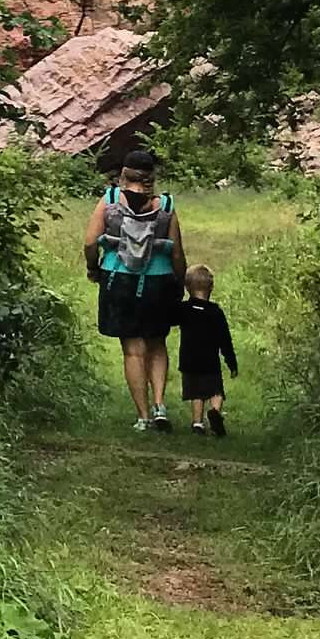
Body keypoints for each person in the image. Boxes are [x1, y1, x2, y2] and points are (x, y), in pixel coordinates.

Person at [85, 155, 186, 433]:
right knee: (156, 344)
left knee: (133, 350)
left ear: (123, 175)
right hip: (158, 281)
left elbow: (90, 242)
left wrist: (93, 268)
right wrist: (179, 281)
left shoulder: (110, 199)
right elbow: (176, 251)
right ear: (150, 177)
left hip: (119, 280)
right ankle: (160, 405)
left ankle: (143, 416)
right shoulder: (165, 204)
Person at [176, 265, 238, 437]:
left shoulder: (183, 309)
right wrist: (231, 362)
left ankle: (197, 422)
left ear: (187, 287)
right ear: (211, 287)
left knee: (196, 393)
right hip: (210, 360)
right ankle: (216, 411)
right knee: (216, 390)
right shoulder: (215, 312)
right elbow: (225, 340)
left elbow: (169, 318)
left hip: (189, 360)